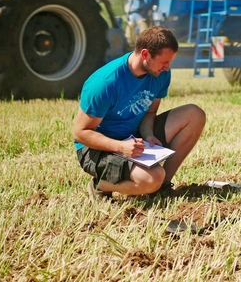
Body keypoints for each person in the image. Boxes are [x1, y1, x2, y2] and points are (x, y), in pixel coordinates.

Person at [73, 26, 206, 200]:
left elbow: (150, 113)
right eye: (164, 62)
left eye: (170, 62)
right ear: (145, 54)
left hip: (133, 138)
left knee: (194, 115)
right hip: (98, 150)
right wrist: (121, 147)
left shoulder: (161, 74)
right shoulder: (105, 83)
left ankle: (161, 187)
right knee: (153, 178)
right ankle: (100, 184)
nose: (167, 68)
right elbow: (80, 134)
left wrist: (148, 135)